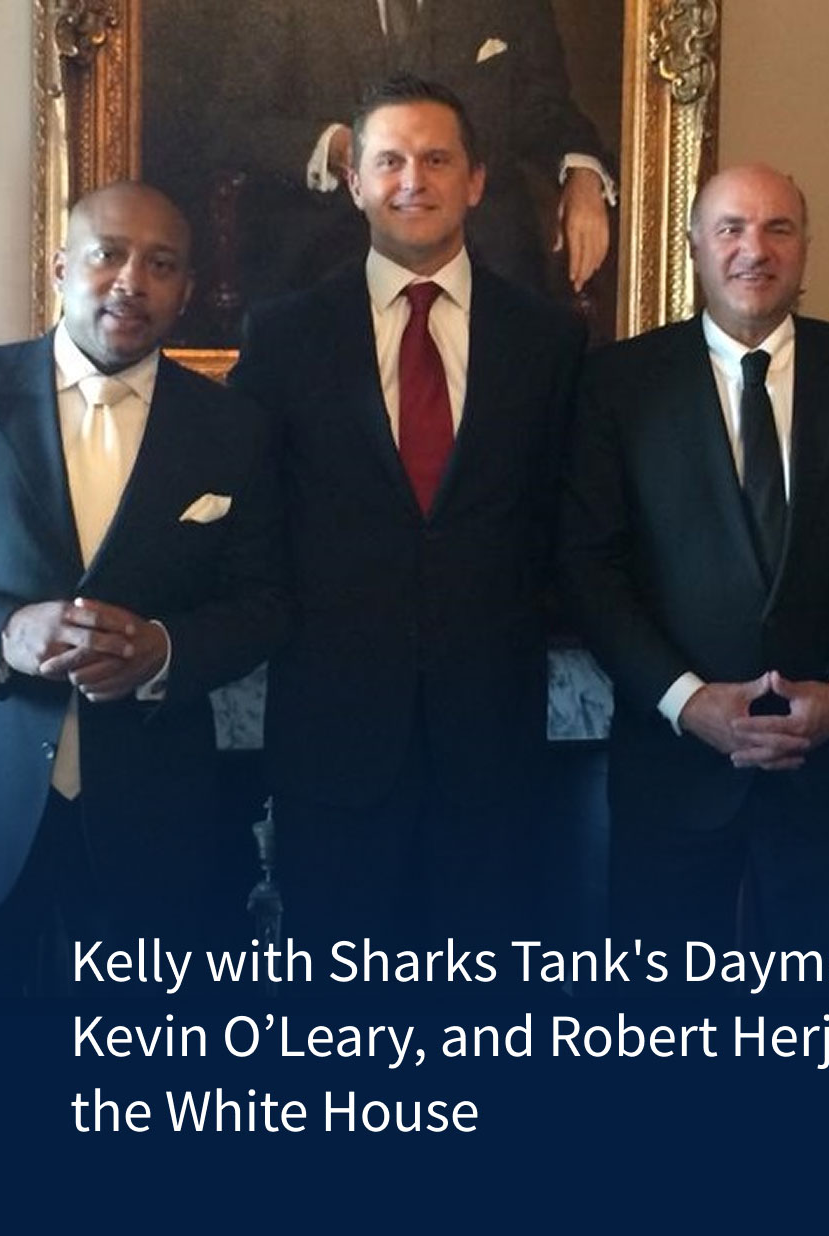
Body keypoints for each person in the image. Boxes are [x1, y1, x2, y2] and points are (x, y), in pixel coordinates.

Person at [229, 75, 586, 946]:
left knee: (483, 996)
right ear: (354, 182)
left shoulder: (547, 340)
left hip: (493, 747)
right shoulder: (284, 335)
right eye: (389, 161)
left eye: (436, 159)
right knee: (341, 1001)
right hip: (333, 748)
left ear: (477, 180)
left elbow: (566, 519)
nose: (412, 180)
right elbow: (255, 522)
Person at [560, 164, 829, 950]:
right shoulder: (617, 383)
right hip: (673, 767)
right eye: (730, 228)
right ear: (695, 246)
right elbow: (590, 565)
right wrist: (686, 700)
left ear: (805, 248)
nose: (754, 249)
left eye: (778, 228)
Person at [0, 182, 288, 994]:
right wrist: (2, 633)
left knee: (138, 1056)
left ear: (186, 291)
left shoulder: (233, 429)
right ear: (60, 267)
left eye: (161, 264)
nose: (131, 281)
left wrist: (164, 650)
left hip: (157, 814)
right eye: (108, 255)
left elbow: (265, 601)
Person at [214, 0, 614, 306]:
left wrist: (583, 174)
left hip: (484, 256)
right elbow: (228, 122)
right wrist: (333, 146)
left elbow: (547, 109)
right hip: (328, 250)